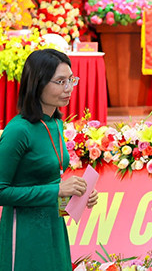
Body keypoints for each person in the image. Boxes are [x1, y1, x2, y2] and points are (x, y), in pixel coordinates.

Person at [0, 49, 99, 271]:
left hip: (54, 227)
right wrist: (57, 190)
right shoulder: (18, 130)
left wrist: (76, 197)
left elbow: (49, 183)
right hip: (24, 234)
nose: (68, 88)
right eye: (60, 81)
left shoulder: (55, 123)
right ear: (38, 84)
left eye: (71, 80)